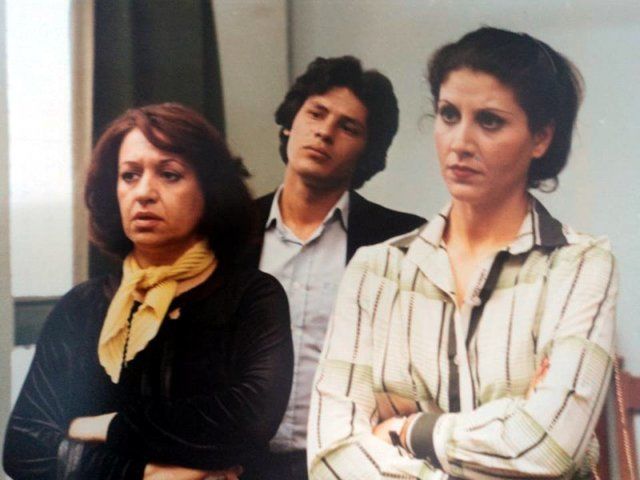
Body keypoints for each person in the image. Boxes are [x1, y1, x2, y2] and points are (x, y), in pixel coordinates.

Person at [308, 27, 617, 479]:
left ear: (541, 138)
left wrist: (409, 429)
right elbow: (332, 453)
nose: (460, 142)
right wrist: (507, 424)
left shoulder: (579, 264)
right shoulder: (376, 271)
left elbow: (548, 446)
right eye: (449, 115)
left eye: (489, 121)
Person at [3, 103, 294, 479]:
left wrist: (100, 427)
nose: (143, 192)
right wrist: (145, 472)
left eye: (169, 174)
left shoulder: (252, 297)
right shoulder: (82, 307)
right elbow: (24, 448)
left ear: (210, 190)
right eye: (129, 175)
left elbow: (249, 419)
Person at [242, 56, 425, 479]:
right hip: (237, 468)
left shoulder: (403, 241)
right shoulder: (228, 232)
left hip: (348, 466)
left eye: (349, 127)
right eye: (316, 113)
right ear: (289, 124)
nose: (325, 132)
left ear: (367, 152)